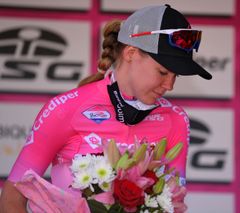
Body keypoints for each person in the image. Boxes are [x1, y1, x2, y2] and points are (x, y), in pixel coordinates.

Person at [0, 4, 212, 212]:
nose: (170, 85)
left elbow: (172, 204)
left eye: (176, 76)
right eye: (163, 72)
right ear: (131, 53)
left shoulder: (175, 119)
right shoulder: (65, 108)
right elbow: (11, 199)